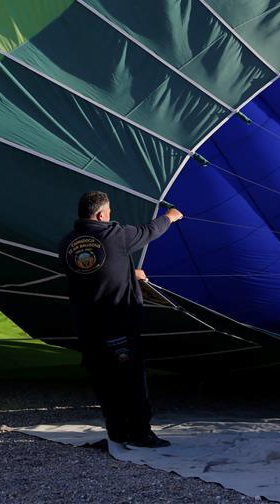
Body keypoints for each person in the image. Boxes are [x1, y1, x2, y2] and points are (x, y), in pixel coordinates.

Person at [59, 191, 183, 448]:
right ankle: (140, 434)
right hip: (117, 324)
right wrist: (171, 216)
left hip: (87, 327)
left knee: (105, 382)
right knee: (132, 381)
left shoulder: (68, 244)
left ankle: (117, 432)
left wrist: (129, 273)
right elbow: (150, 230)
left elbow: (94, 273)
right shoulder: (115, 235)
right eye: (110, 213)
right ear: (102, 214)